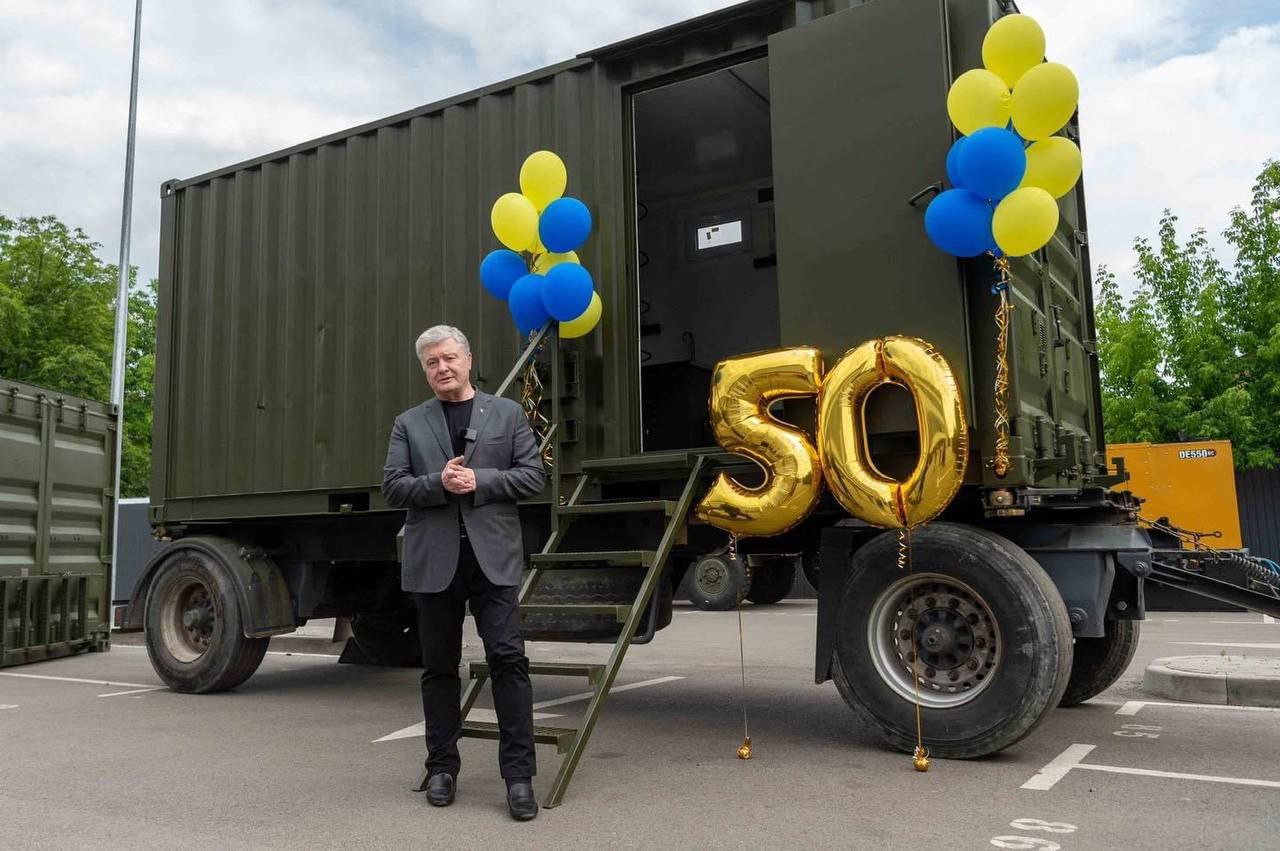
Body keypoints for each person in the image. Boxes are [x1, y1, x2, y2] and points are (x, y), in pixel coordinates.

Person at [381, 324, 545, 820]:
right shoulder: (409, 423)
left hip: (492, 559)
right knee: (438, 668)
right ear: (425, 370)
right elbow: (393, 487)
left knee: (508, 661)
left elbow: (533, 476)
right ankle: (442, 768)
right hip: (434, 563)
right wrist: (439, 482)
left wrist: (479, 480)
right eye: (431, 362)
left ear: (468, 359)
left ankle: (519, 778)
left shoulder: (507, 413)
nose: (442, 368)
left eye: (449, 358)